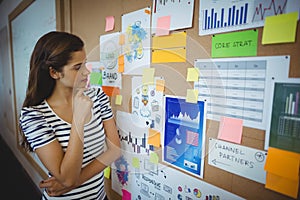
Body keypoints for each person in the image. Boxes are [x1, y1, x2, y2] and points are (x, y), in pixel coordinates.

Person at [19, 31, 121, 200]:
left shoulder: (98, 97)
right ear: (54, 73)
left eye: (85, 64)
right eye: (77, 67)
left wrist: (72, 183)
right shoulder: (34, 116)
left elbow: (115, 150)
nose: (86, 72)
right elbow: (67, 177)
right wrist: (79, 119)